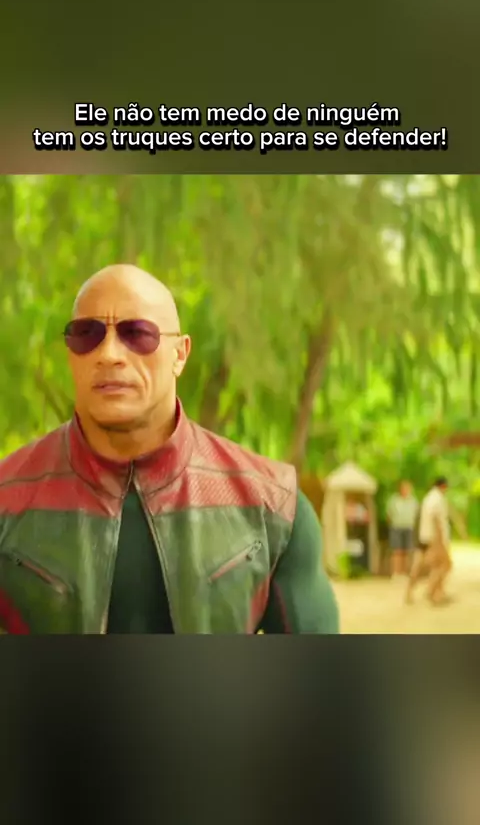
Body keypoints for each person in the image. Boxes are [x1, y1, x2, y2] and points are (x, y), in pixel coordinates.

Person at [0, 264, 339, 635]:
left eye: (137, 333)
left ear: (180, 354)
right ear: (70, 354)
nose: (108, 354)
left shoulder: (272, 508)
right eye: (87, 335)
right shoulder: (8, 498)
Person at [405, 477, 452, 606]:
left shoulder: (428, 498)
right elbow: (436, 519)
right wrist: (439, 541)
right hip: (433, 538)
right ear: (443, 486)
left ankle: (415, 591)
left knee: (420, 566)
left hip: (423, 537)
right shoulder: (436, 499)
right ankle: (431, 591)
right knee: (444, 565)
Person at [386, 480, 419, 578]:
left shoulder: (413, 501)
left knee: (407, 551)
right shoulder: (394, 500)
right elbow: (389, 514)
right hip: (396, 527)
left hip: (409, 527)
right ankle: (396, 572)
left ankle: (405, 572)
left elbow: (416, 514)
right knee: (397, 551)